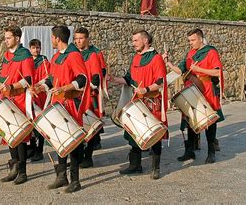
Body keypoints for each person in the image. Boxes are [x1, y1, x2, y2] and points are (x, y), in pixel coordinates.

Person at [33, 25, 90, 193]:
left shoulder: (74, 55)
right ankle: (61, 176)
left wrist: (64, 88)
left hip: (70, 104)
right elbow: (52, 79)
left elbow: (82, 79)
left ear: (57, 38)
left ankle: (75, 180)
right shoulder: (57, 56)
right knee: (59, 140)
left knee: (72, 142)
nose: (51, 40)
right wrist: (40, 86)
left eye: (52, 37)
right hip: (57, 103)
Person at [110, 30, 168, 180]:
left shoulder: (156, 58)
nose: (133, 43)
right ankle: (135, 165)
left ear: (146, 40)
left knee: (154, 135)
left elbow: (160, 82)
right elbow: (129, 79)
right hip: (136, 102)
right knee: (133, 133)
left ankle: (155, 168)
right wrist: (114, 79)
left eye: (136, 40)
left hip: (151, 102)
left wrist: (146, 89)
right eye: (133, 40)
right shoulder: (136, 58)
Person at [163, 28, 224, 164]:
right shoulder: (190, 53)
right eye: (189, 40)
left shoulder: (211, 52)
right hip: (192, 89)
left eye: (193, 40)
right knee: (190, 120)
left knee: (210, 121)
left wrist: (199, 70)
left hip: (207, 89)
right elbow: (180, 70)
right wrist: (168, 63)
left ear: (200, 39)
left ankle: (211, 152)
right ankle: (189, 152)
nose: (190, 43)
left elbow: (218, 72)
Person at [0, 25, 34, 185]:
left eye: (8, 38)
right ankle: (14, 168)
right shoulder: (7, 55)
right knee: (10, 135)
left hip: (19, 100)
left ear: (17, 38)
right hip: (7, 99)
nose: (5, 41)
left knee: (19, 137)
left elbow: (28, 79)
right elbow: (5, 79)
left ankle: (23, 172)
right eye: (5, 38)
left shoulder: (25, 54)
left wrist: (11, 87)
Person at [74, 27, 104, 168]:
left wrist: (86, 88)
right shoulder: (74, 54)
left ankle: (88, 156)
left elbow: (98, 75)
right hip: (75, 95)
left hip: (89, 95)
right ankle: (78, 156)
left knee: (90, 125)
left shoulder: (94, 54)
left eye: (80, 38)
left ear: (87, 38)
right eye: (76, 38)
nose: (78, 41)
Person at [27, 39, 50, 162]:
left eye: (38, 48)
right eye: (33, 48)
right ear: (30, 48)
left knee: (39, 122)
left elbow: (48, 77)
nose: (36, 50)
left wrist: (37, 85)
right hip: (29, 94)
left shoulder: (44, 61)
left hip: (40, 94)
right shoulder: (28, 61)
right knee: (29, 121)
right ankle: (31, 147)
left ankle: (39, 150)